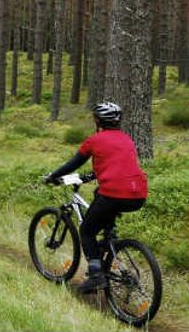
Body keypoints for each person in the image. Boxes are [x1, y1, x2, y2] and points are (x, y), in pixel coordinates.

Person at [44, 102, 148, 294]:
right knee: (100, 201)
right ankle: (107, 243)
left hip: (114, 193)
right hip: (138, 193)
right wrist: (90, 176)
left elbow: (73, 164)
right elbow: (116, 165)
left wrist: (52, 176)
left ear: (98, 120)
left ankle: (96, 276)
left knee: (86, 231)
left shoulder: (94, 140)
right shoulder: (127, 139)